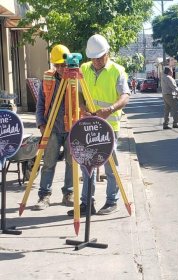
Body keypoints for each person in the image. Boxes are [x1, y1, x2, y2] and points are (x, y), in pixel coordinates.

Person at [67, 34, 130, 216]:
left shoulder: (117, 70)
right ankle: (87, 203)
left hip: (109, 126)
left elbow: (125, 96)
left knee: (111, 167)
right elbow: (78, 92)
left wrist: (110, 109)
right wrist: (82, 106)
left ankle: (112, 201)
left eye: (99, 57)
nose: (96, 61)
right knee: (88, 164)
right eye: (93, 58)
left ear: (107, 53)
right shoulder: (84, 69)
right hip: (88, 125)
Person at [33, 44, 74, 210]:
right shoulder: (48, 78)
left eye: (63, 65)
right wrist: (40, 123)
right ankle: (44, 196)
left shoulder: (77, 77)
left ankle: (68, 194)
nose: (61, 69)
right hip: (51, 128)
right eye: (57, 65)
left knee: (72, 163)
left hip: (71, 127)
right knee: (48, 163)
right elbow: (41, 104)